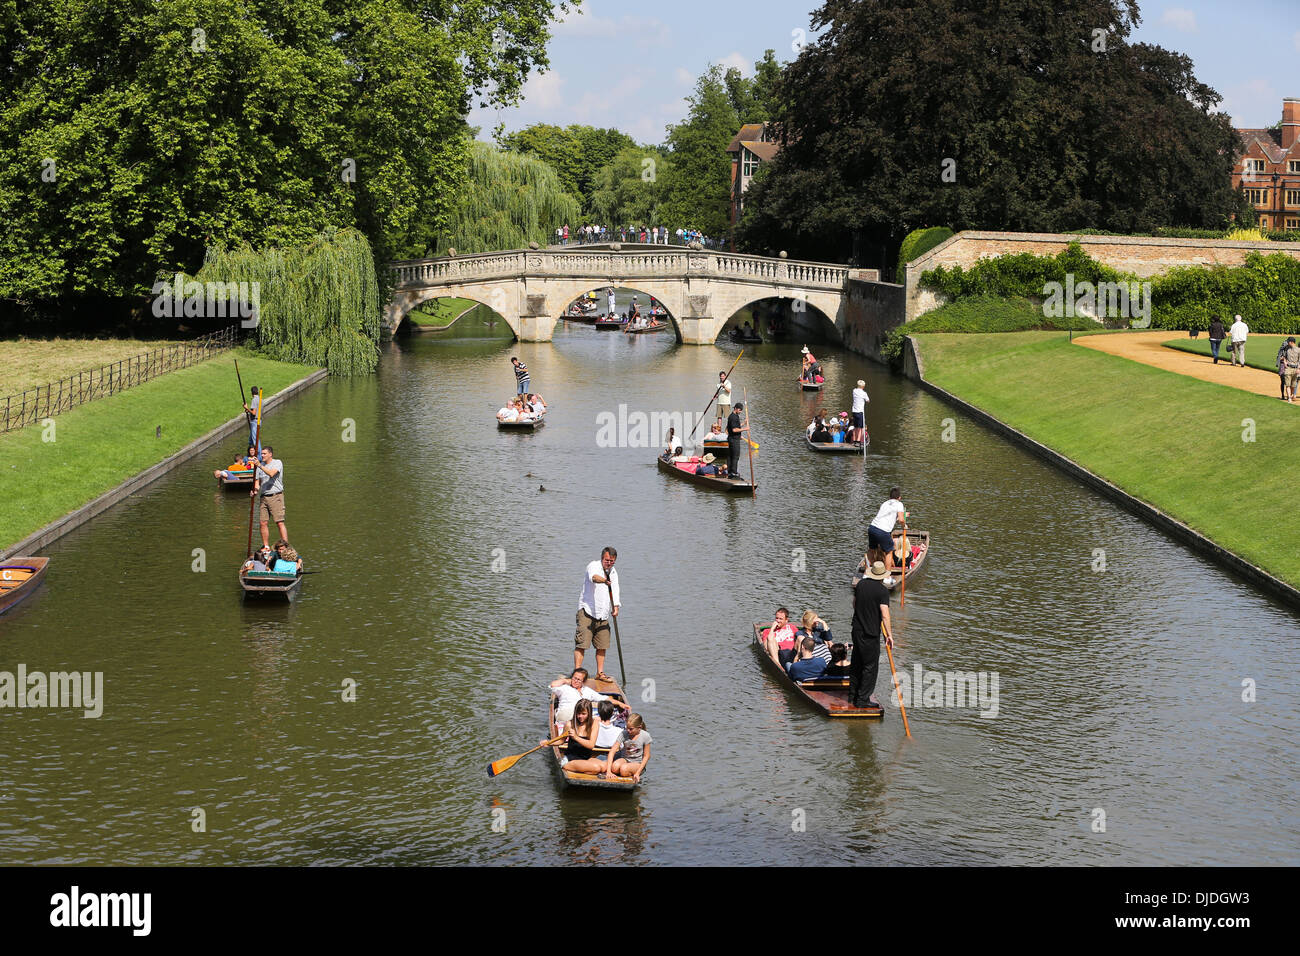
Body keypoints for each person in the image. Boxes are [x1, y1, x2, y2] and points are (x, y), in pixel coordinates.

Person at [850, 561, 893, 708]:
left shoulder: (860, 585)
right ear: (882, 576)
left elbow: (854, 604)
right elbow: (885, 615)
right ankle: (862, 700)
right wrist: (889, 635)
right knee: (870, 667)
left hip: (856, 630)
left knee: (856, 662)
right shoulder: (883, 592)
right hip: (870, 633)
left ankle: (852, 696)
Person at [576, 547, 620, 678]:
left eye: (612, 561)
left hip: (603, 614)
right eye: (607, 560)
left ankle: (600, 673)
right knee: (582, 643)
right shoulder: (593, 566)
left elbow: (615, 589)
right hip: (587, 611)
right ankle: (577, 673)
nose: (609, 563)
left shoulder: (613, 572)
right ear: (602, 558)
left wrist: (616, 607)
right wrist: (604, 581)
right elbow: (594, 578)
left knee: (602, 645)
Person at [549, 668, 627, 733]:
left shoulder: (587, 691)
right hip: (567, 717)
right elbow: (553, 685)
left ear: (583, 681)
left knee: (606, 715)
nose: (575, 681)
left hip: (582, 718)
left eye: (579, 680)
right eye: (574, 678)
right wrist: (565, 681)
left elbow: (603, 698)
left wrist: (620, 703)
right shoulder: (565, 688)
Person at [250, 445, 286, 549]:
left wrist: (259, 465)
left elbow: (271, 473)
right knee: (263, 522)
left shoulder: (277, 463)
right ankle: (266, 546)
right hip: (264, 497)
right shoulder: (259, 466)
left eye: (264, 453)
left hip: (276, 496)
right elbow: (257, 483)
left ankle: (285, 546)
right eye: (261, 454)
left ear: (270, 454)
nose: (262, 455)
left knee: (279, 522)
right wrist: (255, 491)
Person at [604, 713, 651, 782]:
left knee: (624, 769)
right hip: (625, 759)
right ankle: (625, 769)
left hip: (638, 763)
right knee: (614, 768)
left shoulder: (645, 736)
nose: (628, 731)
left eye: (631, 729)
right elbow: (612, 751)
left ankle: (629, 771)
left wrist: (638, 772)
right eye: (627, 728)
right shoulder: (624, 733)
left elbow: (646, 756)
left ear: (639, 727)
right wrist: (608, 771)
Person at [868, 487, 906, 555]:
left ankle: (869, 565)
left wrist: (902, 516)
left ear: (889, 497)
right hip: (883, 531)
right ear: (899, 498)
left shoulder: (885, 503)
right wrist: (904, 526)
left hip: (872, 528)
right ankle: (888, 566)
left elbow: (888, 517)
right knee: (889, 552)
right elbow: (901, 520)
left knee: (872, 550)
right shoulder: (899, 504)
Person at [727, 402, 749, 478]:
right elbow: (734, 430)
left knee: (731, 455)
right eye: (739, 410)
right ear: (736, 408)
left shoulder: (734, 416)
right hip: (734, 440)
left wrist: (743, 423)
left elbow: (737, 426)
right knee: (735, 456)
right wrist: (745, 429)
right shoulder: (733, 417)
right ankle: (733, 472)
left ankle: (729, 471)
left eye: (741, 410)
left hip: (732, 439)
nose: (740, 412)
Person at [1281, 336, 1300, 403]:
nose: (1287, 343)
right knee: (1287, 384)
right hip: (1288, 368)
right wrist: (1285, 362)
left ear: (1291, 342)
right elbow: (1284, 357)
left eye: (1288, 341)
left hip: (1295, 369)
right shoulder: (1286, 349)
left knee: (1293, 385)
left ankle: (1291, 395)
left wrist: (1299, 368)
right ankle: (1289, 397)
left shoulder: (1298, 350)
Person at [851, 379, 870, 444]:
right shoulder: (864, 393)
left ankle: (854, 440)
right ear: (863, 386)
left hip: (854, 411)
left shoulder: (854, 391)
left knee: (855, 426)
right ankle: (858, 441)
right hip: (860, 412)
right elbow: (868, 400)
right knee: (860, 427)